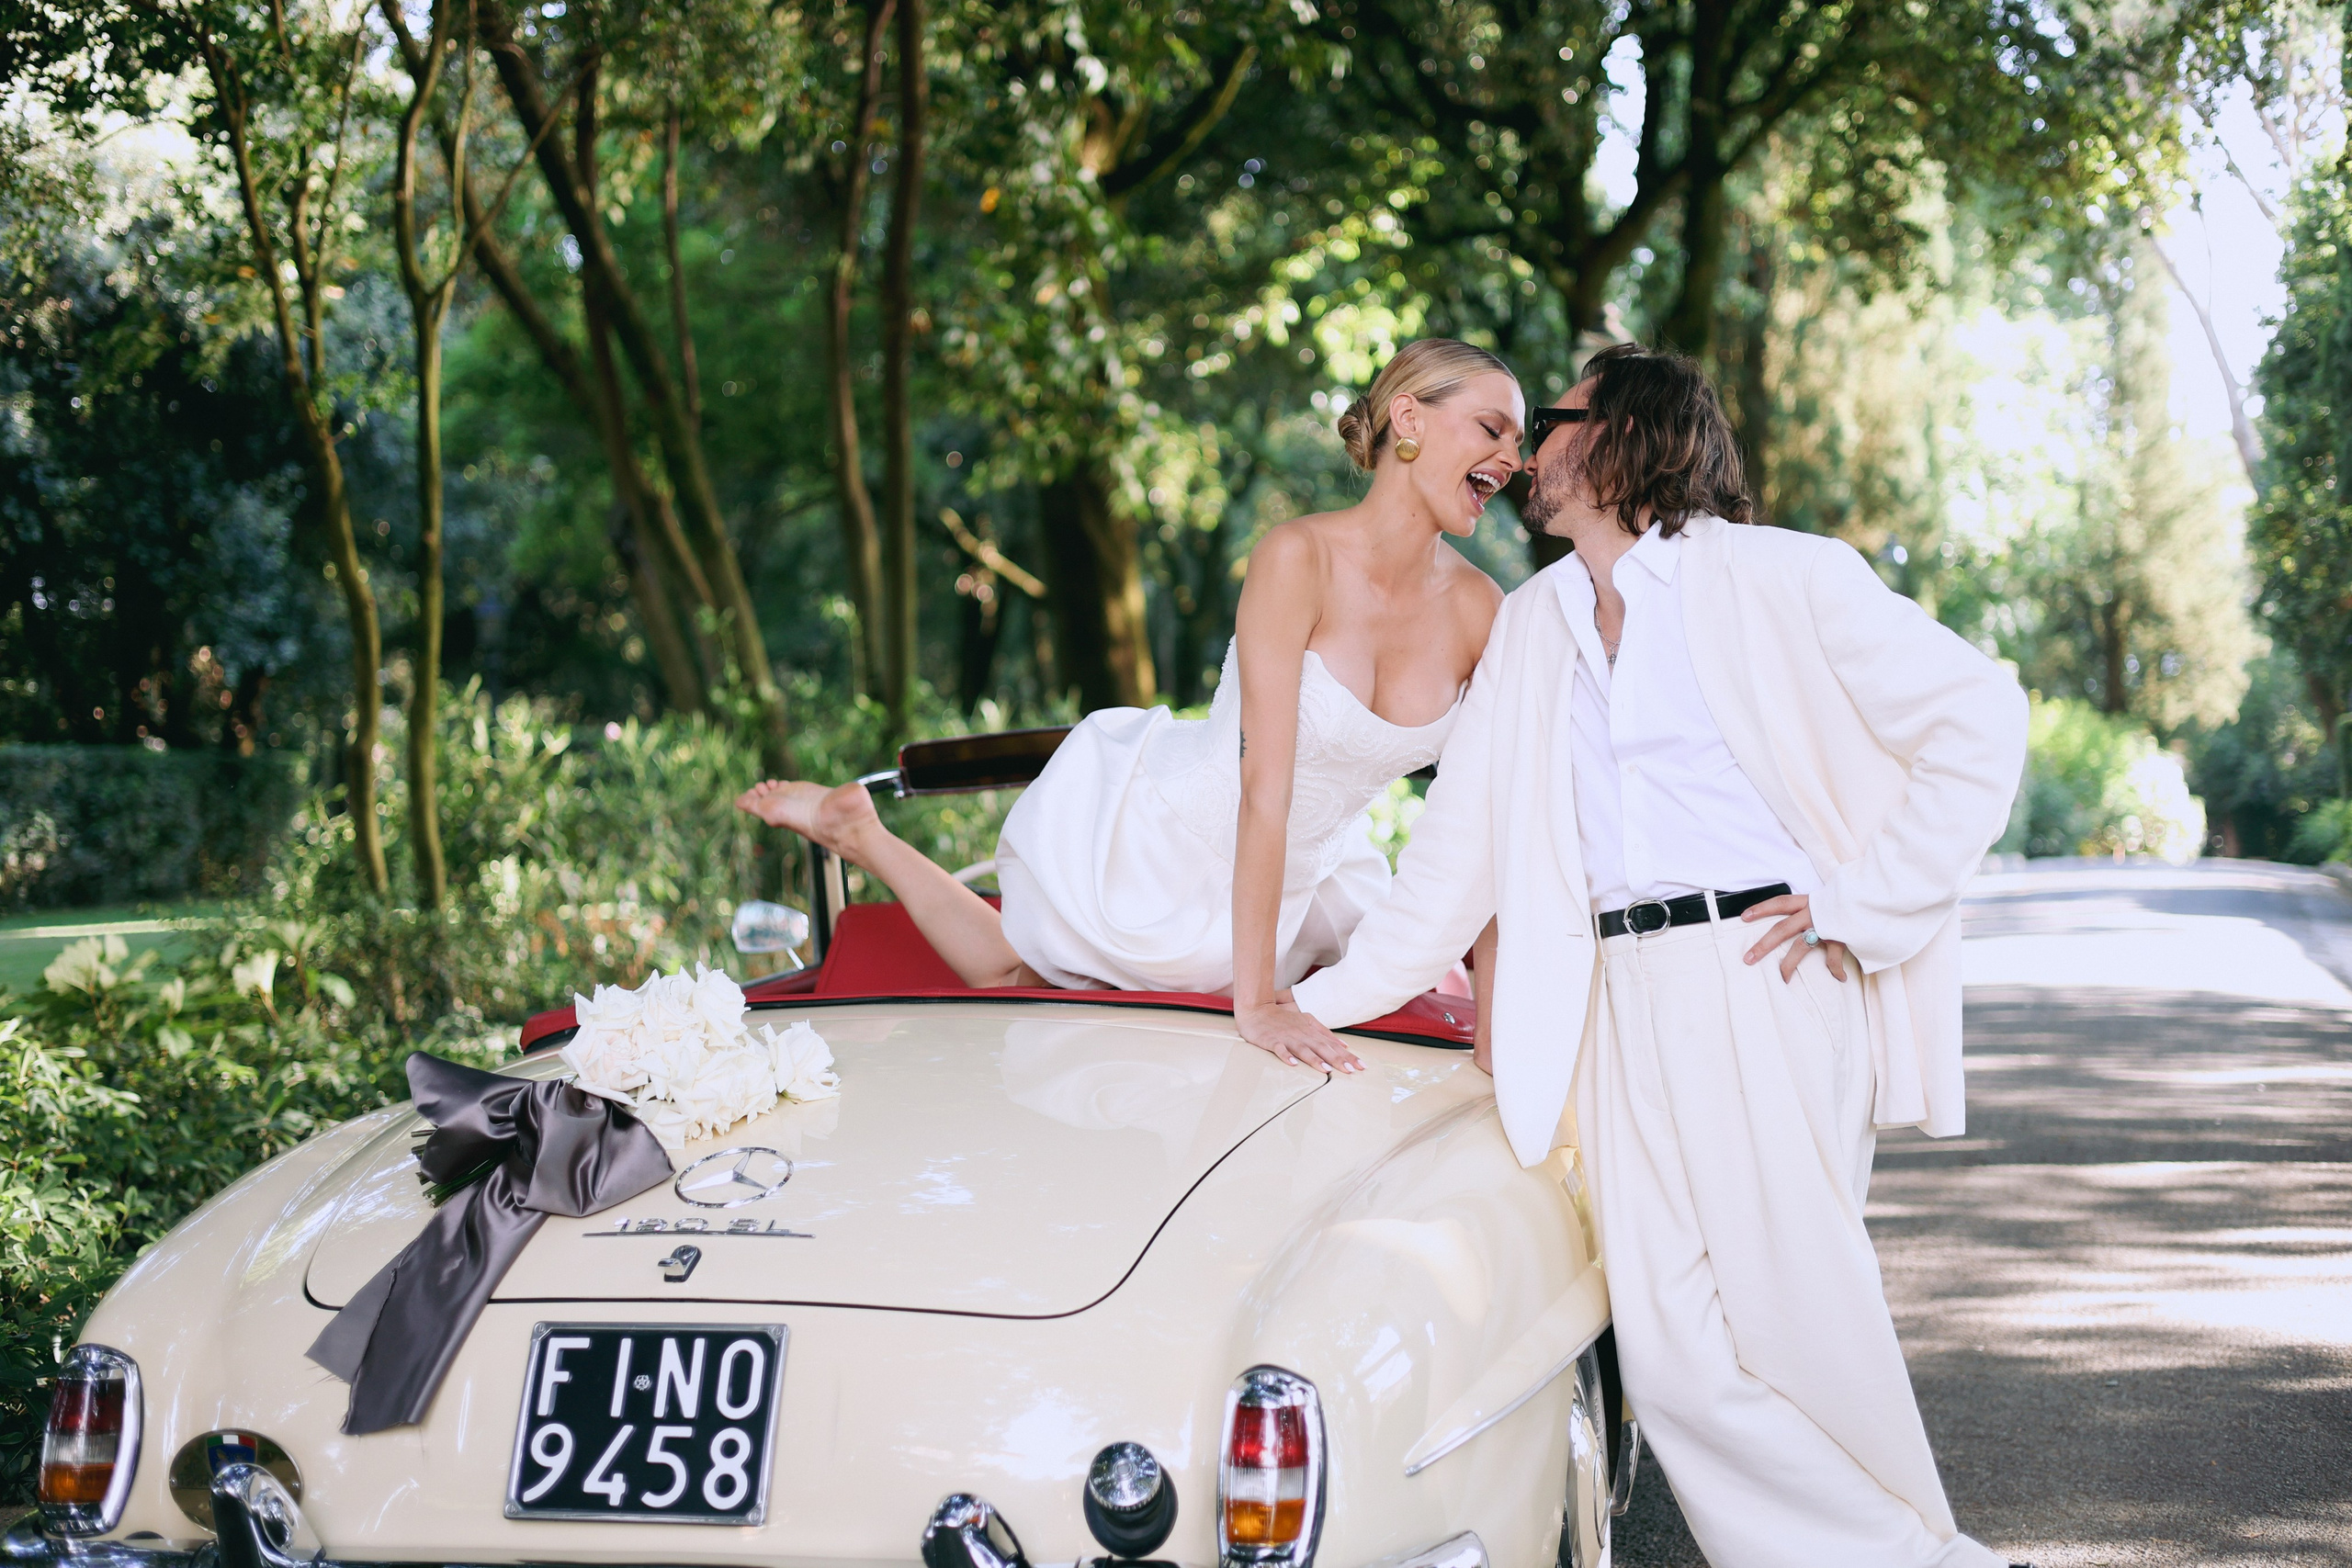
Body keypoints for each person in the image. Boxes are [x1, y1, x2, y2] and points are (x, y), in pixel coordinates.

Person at [1285, 344, 2032, 1567]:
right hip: (1612, 1008)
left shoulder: (1783, 579)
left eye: (1554, 417)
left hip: (1766, 976)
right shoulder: (1530, 625)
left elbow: (1980, 718)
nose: (1525, 450)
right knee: (1676, 1356)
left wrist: (1864, 900)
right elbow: (1448, 865)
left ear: (1623, 435)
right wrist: (1304, 1004)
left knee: (1799, 1320)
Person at [737, 337, 1522, 1070]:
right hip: (1183, 832)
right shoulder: (1297, 557)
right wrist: (1254, 1005)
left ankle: (856, 827)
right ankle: (860, 830)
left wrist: (1494, 1030)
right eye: (1493, 428)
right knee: (1016, 967)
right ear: (1410, 417)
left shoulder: (1483, 609)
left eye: (1520, 443)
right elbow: (1264, 787)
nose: (1513, 460)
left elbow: (1485, 822)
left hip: (1310, 875)